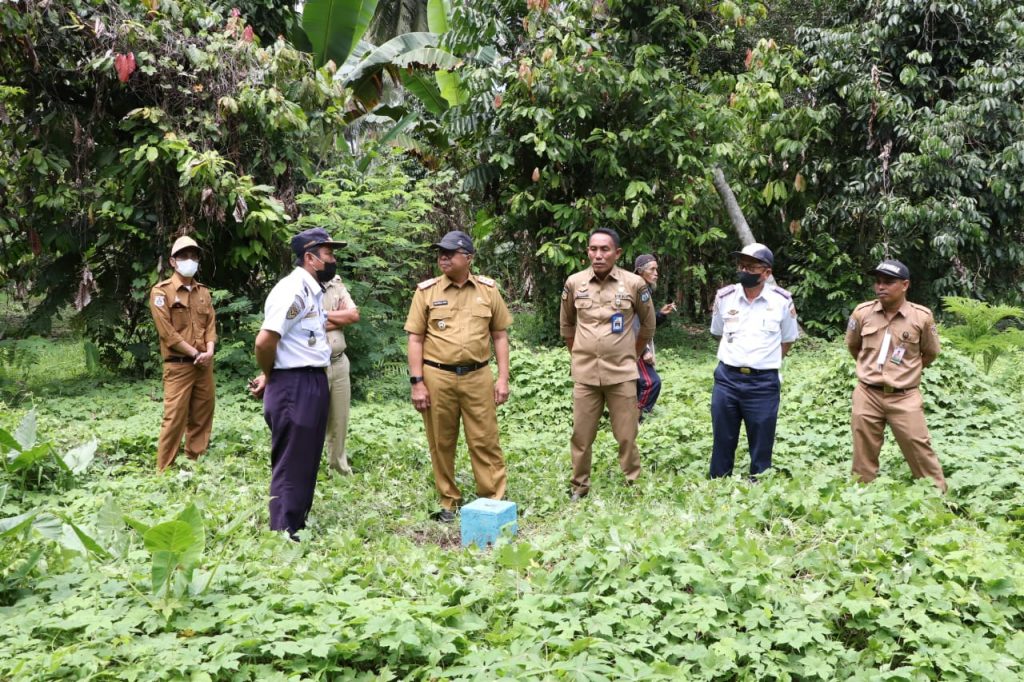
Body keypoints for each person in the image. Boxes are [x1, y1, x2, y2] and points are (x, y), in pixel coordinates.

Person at [404, 230, 512, 523]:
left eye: (450, 253)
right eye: (441, 252)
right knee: (441, 440)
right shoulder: (426, 292)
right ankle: (448, 501)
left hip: (478, 376)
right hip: (437, 376)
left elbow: (500, 336)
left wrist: (502, 378)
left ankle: (492, 499)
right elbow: (415, 340)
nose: (443, 257)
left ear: (469, 258)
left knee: (485, 438)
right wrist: (417, 383)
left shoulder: (488, 291)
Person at [249, 227, 346, 538]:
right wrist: (270, 374)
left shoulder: (313, 291)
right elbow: (265, 341)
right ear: (310, 258)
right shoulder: (293, 291)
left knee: (305, 456)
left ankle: (297, 522)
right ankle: (284, 530)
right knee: (292, 459)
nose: (333, 259)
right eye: (328, 254)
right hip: (294, 385)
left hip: (311, 380)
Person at [560, 228, 656, 500]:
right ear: (587, 251)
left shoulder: (635, 284)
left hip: (622, 374)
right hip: (586, 375)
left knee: (626, 435)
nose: (598, 255)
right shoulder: (574, 283)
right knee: (581, 436)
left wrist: (632, 355)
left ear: (617, 253)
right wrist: (579, 353)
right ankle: (579, 487)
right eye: (593, 249)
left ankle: (632, 483)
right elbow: (567, 325)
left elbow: (648, 326)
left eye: (604, 249)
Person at [845, 259, 947, 491]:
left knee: (917, 443)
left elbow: (930, 353)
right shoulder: (863, 313)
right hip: (867, 393)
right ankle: (861, 494)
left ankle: (936, 495)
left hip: (904, 395)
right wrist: (871, 371)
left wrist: (905, 373)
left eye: (888, 282)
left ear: (905, 285)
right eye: (878, 282)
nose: (881, 287)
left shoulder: (921, 317)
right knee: (863, 447)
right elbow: (853, 347)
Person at [709, 242, 798, 480]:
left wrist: (763, 361)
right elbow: (717, 331)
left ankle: (759, 482)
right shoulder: (725, 297)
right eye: (742, 265)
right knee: (723, 435)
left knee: (761, 437)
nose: (744, 271)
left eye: (751, 267)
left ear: (766, 273)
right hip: (727, 378)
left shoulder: (781, 301)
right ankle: (718, 480)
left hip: (763, 382)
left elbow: (788, 339)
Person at [149, 235, 216, 472]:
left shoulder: (203, 292)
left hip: (203, 364)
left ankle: (194, 464)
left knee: (202, 414)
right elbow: (167, 333)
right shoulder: (161, 292)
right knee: (174, 419)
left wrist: (209, 351)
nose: (190, 260)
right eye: (184, 256)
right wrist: (195, 354)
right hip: (178, 366)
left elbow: (210, 326)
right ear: (173, 262)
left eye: (194, 256)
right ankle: (163, 470)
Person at [632, 254, 676, 421]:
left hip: (638, 343)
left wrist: (661, 314)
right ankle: (635, 418)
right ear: (641, 272)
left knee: (637, 382)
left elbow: (646, 321)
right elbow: (633, 324)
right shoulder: (636, 290)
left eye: (656, 269)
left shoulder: (645, 289)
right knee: (651, 382)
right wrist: (644, 350)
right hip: (634, 345)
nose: (656, 273)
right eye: (652, 269)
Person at [323, 274, 360, 476]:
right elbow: (300, 325)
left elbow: (353, 315)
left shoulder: (335, 285)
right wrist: (338, 317)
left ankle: (338, 469)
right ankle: (304, 470)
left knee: (339, 420)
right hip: (312, 367)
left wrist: (319, 317)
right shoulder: (299, 287)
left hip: (339, 361)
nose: (332, 257)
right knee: (308, 420)